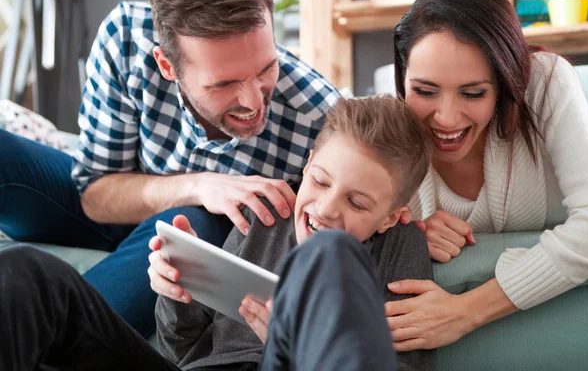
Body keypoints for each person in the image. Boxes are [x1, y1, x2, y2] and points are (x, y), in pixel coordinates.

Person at [0, 0, 340, 336]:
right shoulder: (126, 39)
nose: (255, 102)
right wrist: (201, 185)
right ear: (167, 65)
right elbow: (94, 196)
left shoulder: (321, 119)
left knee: (195, 225)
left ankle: (47, 334)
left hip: (197, 235)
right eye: (224, 84)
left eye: (267, 68)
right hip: (113, 202)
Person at [1, 95, 434, 371]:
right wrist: (176, 297)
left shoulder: (401, 248)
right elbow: (180, 352)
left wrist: (302, 350)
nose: (325, 208)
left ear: (390, 217)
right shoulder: (266, 216)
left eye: (357, 204)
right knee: (28, 274)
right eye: (319, 181)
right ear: (307, 164)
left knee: (331, 255)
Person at [382, 0, 588, 352]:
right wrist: (409, 233)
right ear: (403, 79)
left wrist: (463, 313)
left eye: (473, 93)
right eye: (424, 90)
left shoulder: (545, 83)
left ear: (504, 84)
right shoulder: (388, 127)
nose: (447, 118)